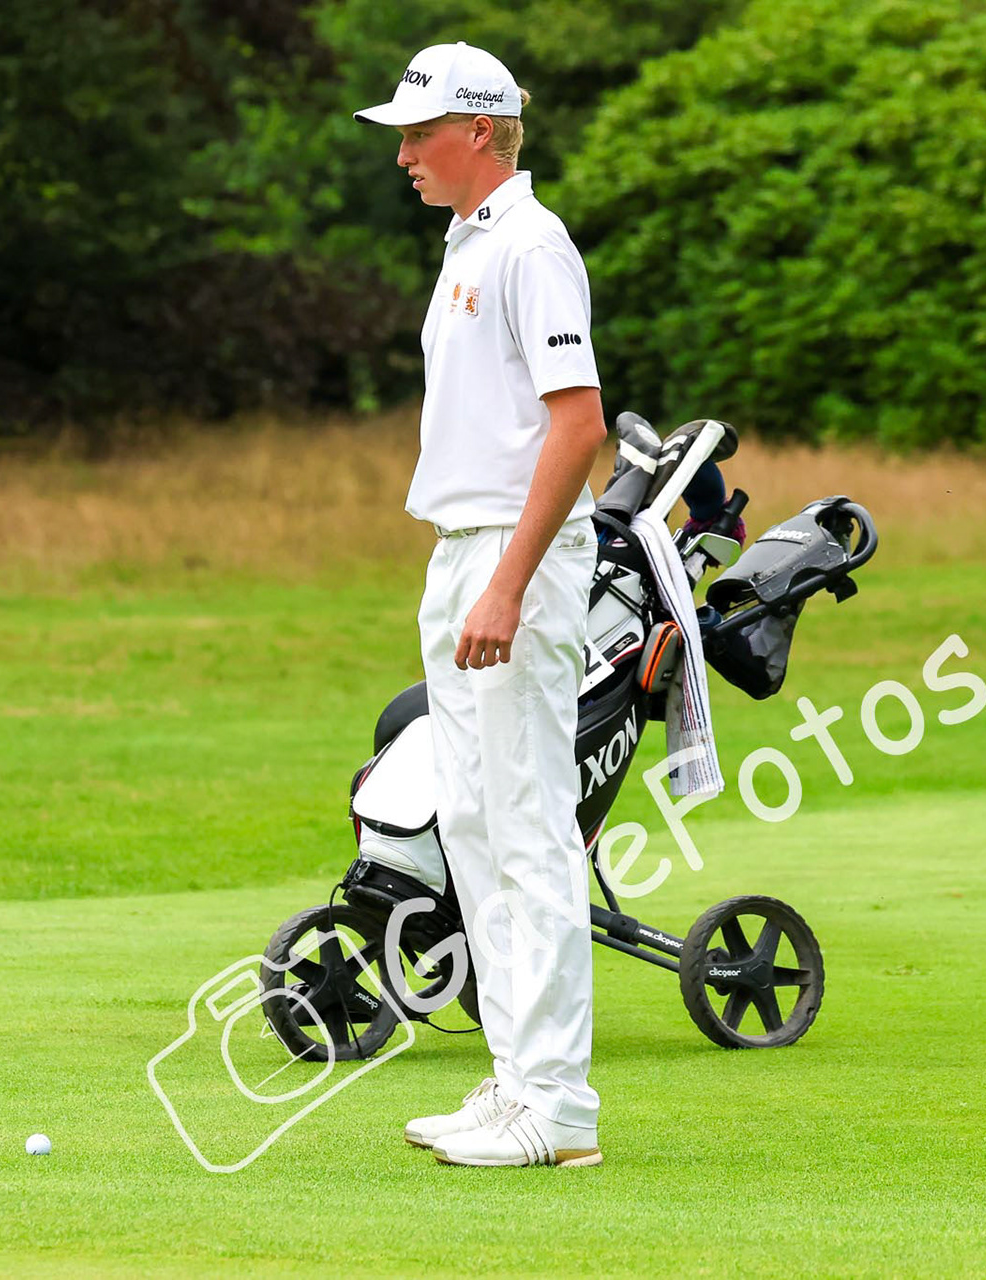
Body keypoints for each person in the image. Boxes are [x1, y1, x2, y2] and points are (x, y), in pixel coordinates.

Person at [354, 42, 606, 1168]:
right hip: (464, 548)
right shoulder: (473, 242)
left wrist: (506, 579)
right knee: (475, 826)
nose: (402, 154)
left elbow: (578, 425)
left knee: (527, 825)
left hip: (517, 557)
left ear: (483, 130)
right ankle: (514, 1083)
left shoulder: (532, 247)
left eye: (418, 133)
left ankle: (557, 1102)